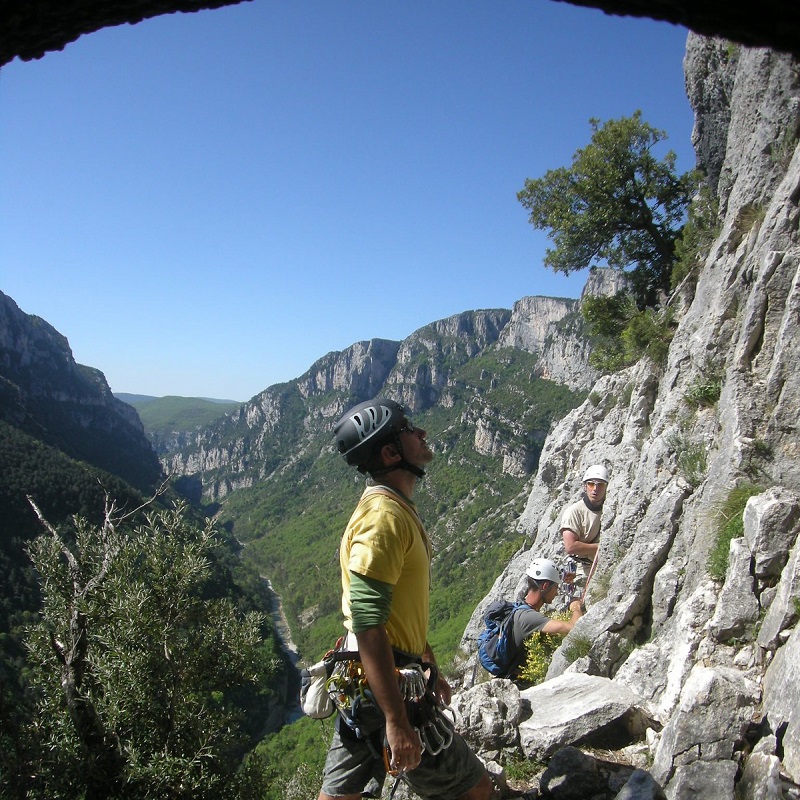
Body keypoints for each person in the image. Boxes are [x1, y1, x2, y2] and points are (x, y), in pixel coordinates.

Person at [318, 397, 492, 800]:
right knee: (475, 790)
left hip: (366, 684)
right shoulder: (383, 520)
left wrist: (428, 661)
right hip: (390, 691)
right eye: (410, 429)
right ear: (391, 451)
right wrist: (397, 720)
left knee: (342, 794)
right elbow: (367, 621)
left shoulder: (393, 510)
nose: (422, 432)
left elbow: (397, 612)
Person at [505, 557, 584, 679]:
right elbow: (575, 628)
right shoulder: (529, 618)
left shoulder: (523, 606)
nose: (556, 593)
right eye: (555, 588)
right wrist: (576, 607)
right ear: (545, 586)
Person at [559, 464, 610, 575]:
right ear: (585, 486)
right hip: (580, 570)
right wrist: (601, 547)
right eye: (591, 484)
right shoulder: (573, 512)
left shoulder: (610, 509)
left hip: (601, 565)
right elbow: (571, 547)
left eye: (600, 485)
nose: (595, 489)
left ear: (606, 487)